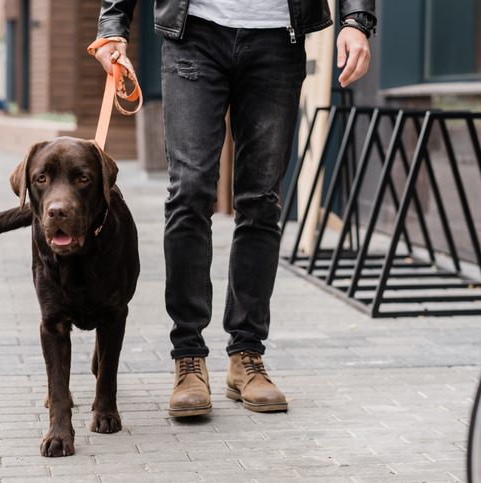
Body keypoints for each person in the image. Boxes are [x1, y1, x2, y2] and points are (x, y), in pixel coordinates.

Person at [95, 0, 377, 417]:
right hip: (195, 31)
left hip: (278, 37)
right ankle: (188, 356)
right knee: (189, 191)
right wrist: (113, 23)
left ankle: (246, 355)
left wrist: (357, 20)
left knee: (261, 200)